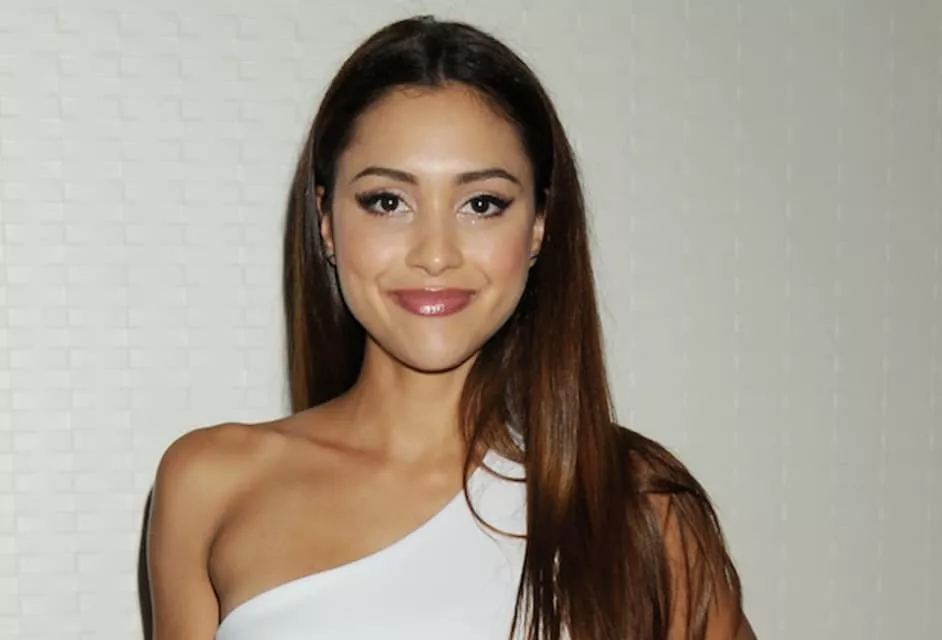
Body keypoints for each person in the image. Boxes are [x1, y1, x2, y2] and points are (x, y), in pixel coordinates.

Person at [146, 15, 757, 640]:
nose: (435, 254)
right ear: (326, 221)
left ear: (539, 227)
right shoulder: (210, 485)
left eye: (481, 204)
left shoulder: (636, 506)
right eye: (388, 201)